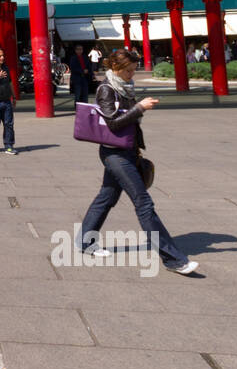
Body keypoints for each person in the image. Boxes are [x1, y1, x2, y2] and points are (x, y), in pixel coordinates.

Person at [77, 48, 198, 275]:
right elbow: (113, 123)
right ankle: (174, 259)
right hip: (114, 154)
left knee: (106, 197)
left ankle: (84, 242)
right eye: (129, 70)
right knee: (144, 203)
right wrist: (139, 107)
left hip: (127, 151)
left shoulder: (123, 86)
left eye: (134, 69)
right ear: (116, 68)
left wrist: (138, 109)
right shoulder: (106, 89)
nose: (132, 74)